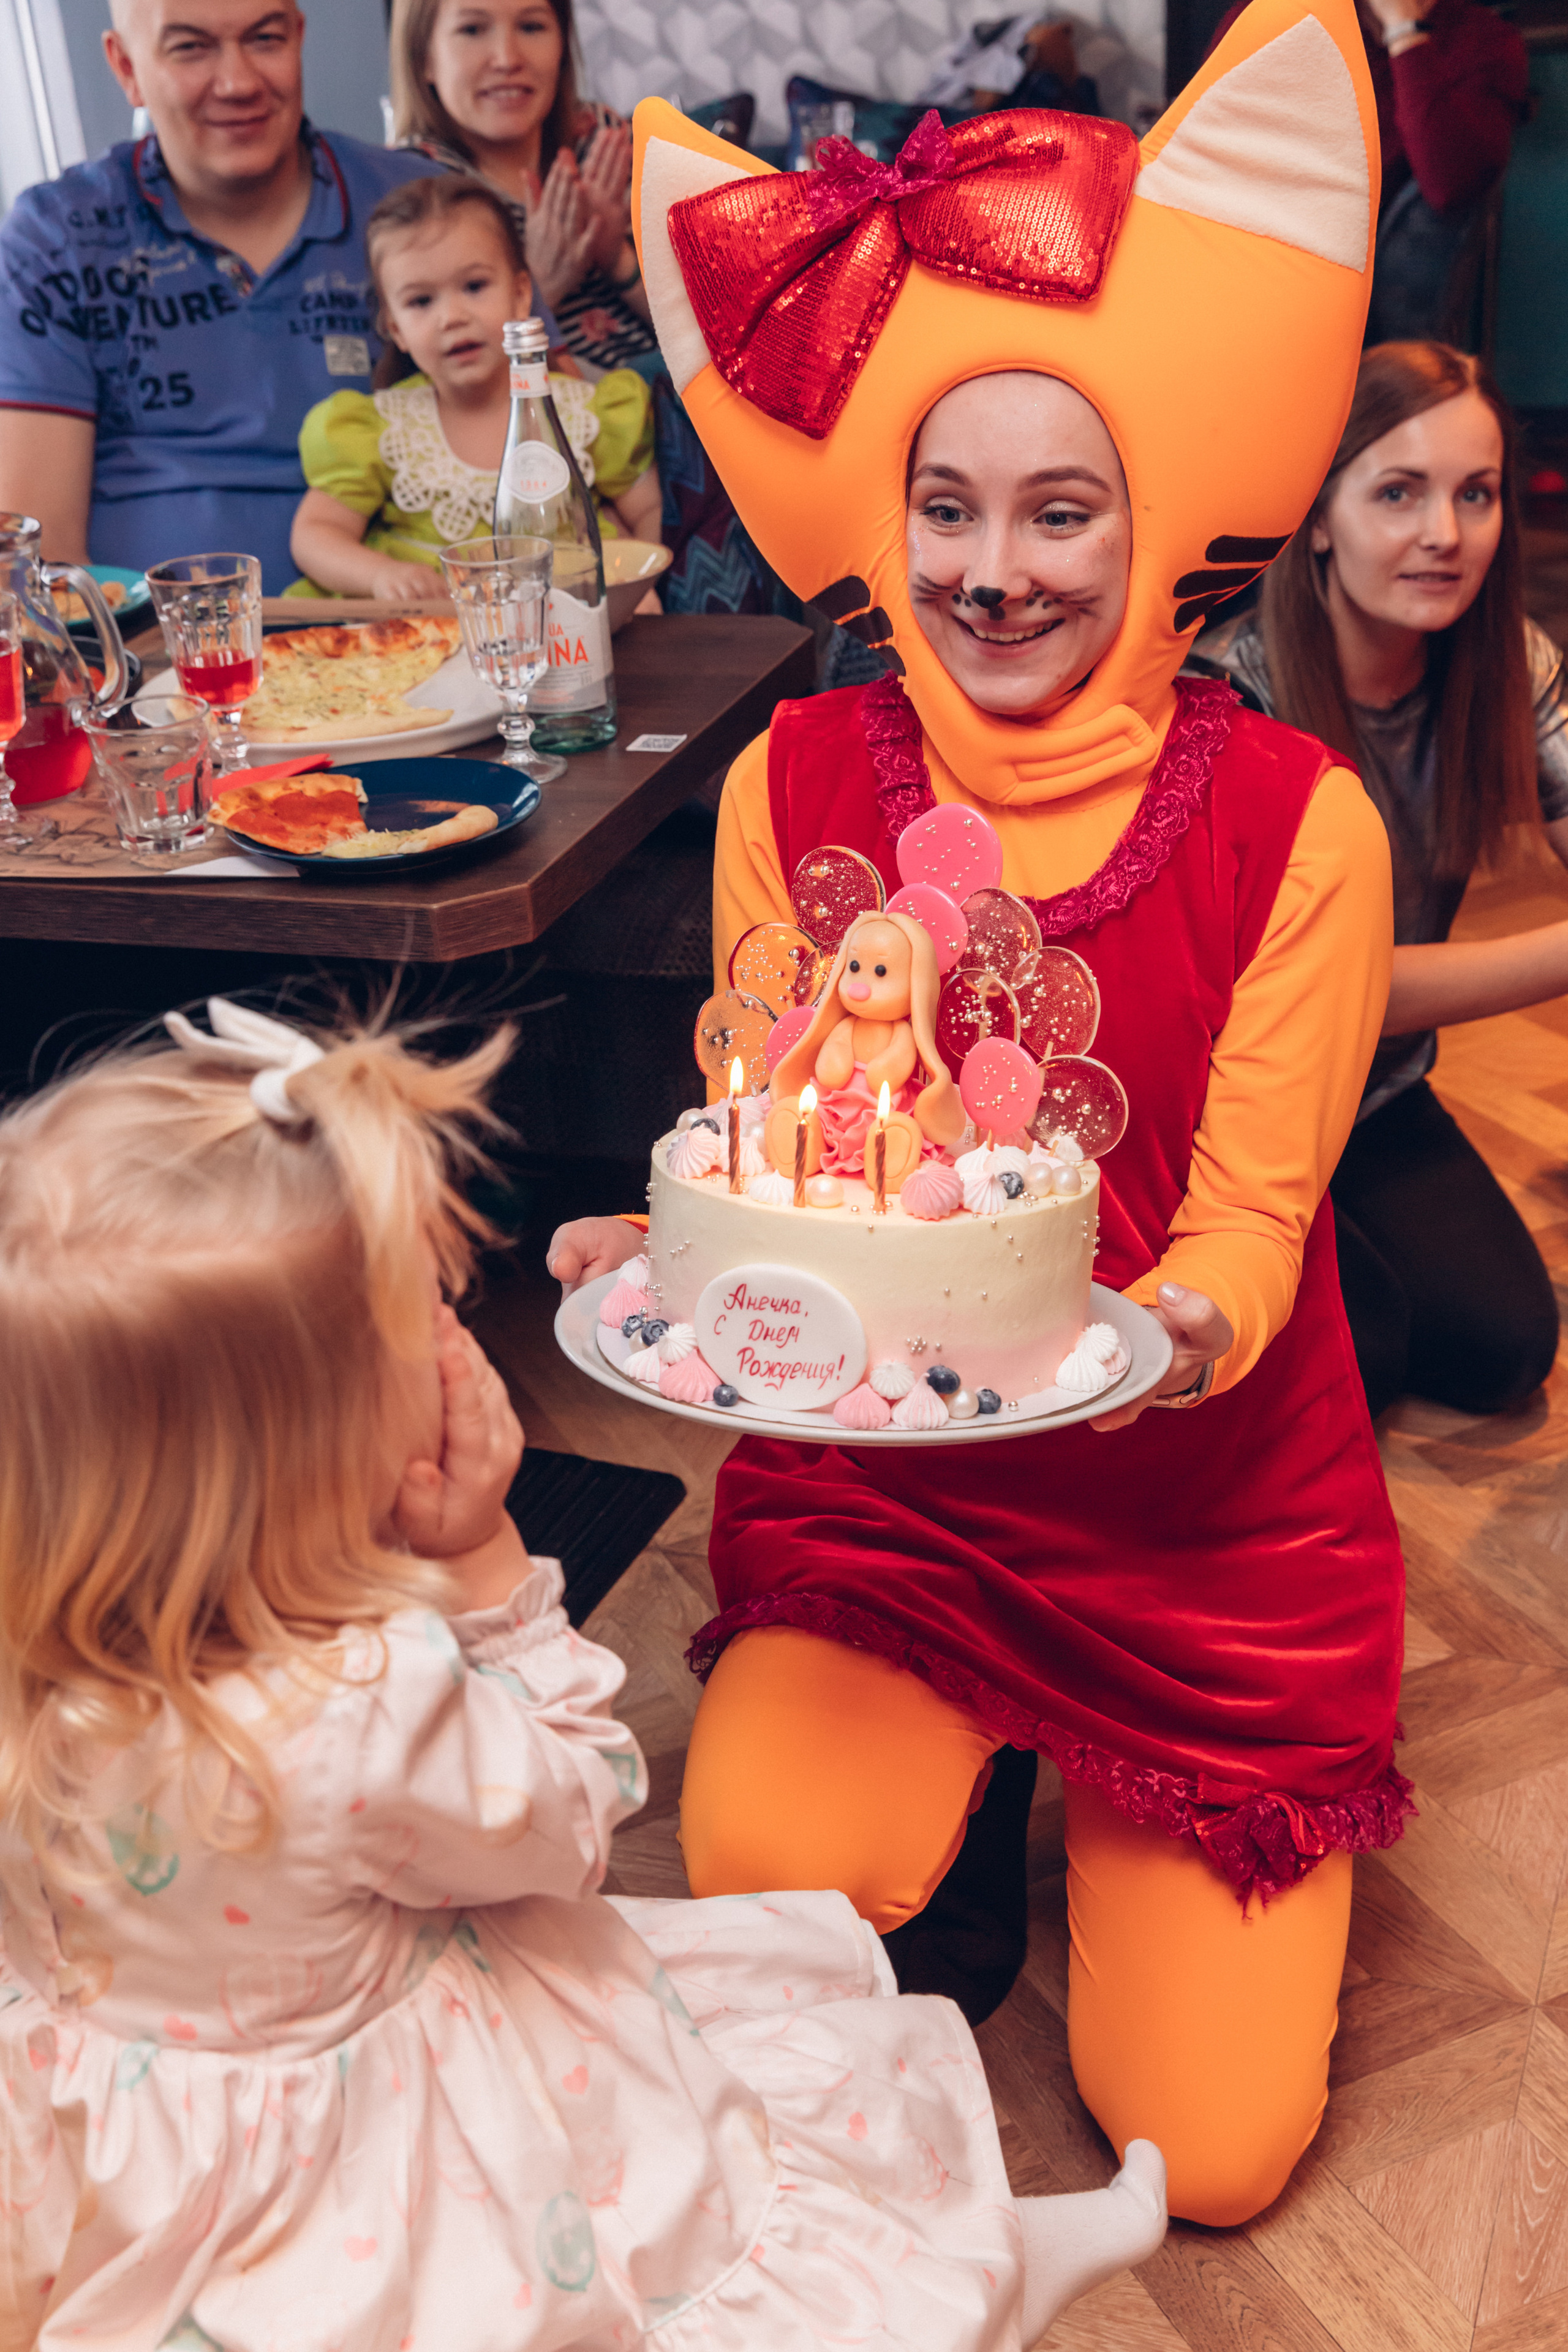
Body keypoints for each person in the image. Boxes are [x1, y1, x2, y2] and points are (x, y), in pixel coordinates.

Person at [549, 0, 1412, 2232]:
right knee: (754, 1867)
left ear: (1154, 527)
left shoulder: (1300, 824)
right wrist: (674, 1250)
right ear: (883, 520)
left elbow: (1238, 1232)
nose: (993, 571)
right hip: (883, 1496)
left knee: (1202, 2159)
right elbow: (772, 1118)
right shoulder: (792, 784)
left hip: (1197, 1533)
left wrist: (1178, 1334)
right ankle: (950, 1764)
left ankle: (1076, 1785)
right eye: (942, 506)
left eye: (1059, 510)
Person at [0, 998, 1167, 2348]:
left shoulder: (38, 1687)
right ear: (309, 1455)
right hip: (407, 2150)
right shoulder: (358, 1702)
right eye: (417, 1319)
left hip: (143, 2155)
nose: (453, 1334)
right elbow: (564, 1824)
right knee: (700, 2229)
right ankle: (985, 2279)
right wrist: (492, 1574)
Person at [1197, 342, 1567, 1420]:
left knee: (1505, 1354)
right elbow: (1337, 988)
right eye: (1398, 492)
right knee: (1368, 1354)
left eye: (1477, 494)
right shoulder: (1231, 702)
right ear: (1318, 512)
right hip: (1231, 1124)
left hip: (1377, 1100)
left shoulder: (1512, 665)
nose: (1444, 535)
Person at [0, 0, 443, 594]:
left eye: (265, 39)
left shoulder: (427, 207)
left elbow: (548, 439)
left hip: (409, 632)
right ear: (126, 66)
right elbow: (42, 559)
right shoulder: (58, 235)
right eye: (190, 47)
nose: (238, 83)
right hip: (150, 661)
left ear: (298, 38)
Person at [289, 175, 657, 601]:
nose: (452, 317)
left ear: (521, 295)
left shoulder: (584, 414)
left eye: (475, 286)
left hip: (569, 627)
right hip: (430, 638)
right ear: (396, 329)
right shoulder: (383, 429)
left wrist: (637, 580)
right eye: (421, 302)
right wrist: (380, 576)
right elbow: (316, 534)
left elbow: (648, 509)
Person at [1209, 0, 1529, 344]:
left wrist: (1403, 30)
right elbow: (1211, 143)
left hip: (1365, 288)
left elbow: (1449, 184)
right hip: (1262, 259)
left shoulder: (1484, 41)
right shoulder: (1274, 13)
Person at [390, 0, 655, 378]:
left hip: (673, 394)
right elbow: (445, 372)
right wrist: (541, 284)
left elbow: (703, 331)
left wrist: (618, 258)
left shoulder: (596, 136)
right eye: (473, 30)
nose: (507, 59)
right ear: (424, 59)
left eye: (531, 27)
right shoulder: (414, 181)